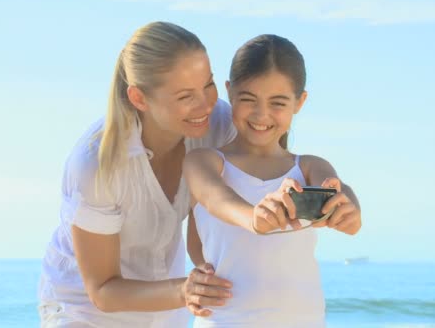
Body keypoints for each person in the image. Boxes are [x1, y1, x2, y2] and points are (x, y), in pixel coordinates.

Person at [38, 21, 237, 327]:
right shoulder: (96, 164)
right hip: (85, 312)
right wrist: (186, 290)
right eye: (185, 96)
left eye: (208, 85)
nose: (206, 104)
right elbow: (103, 290)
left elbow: (272, 160)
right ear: (139, 98)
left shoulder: (218, 126)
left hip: (166, 308)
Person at [183, 34, 362, 327]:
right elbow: (215, 199)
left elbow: (337, 188)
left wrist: (349, 210)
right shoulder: (204, 161)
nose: (261, 114)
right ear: (229, 92)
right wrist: (254, 217)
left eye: (277, 102)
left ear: (299, 102)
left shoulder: (307, 167)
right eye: (248, 99)